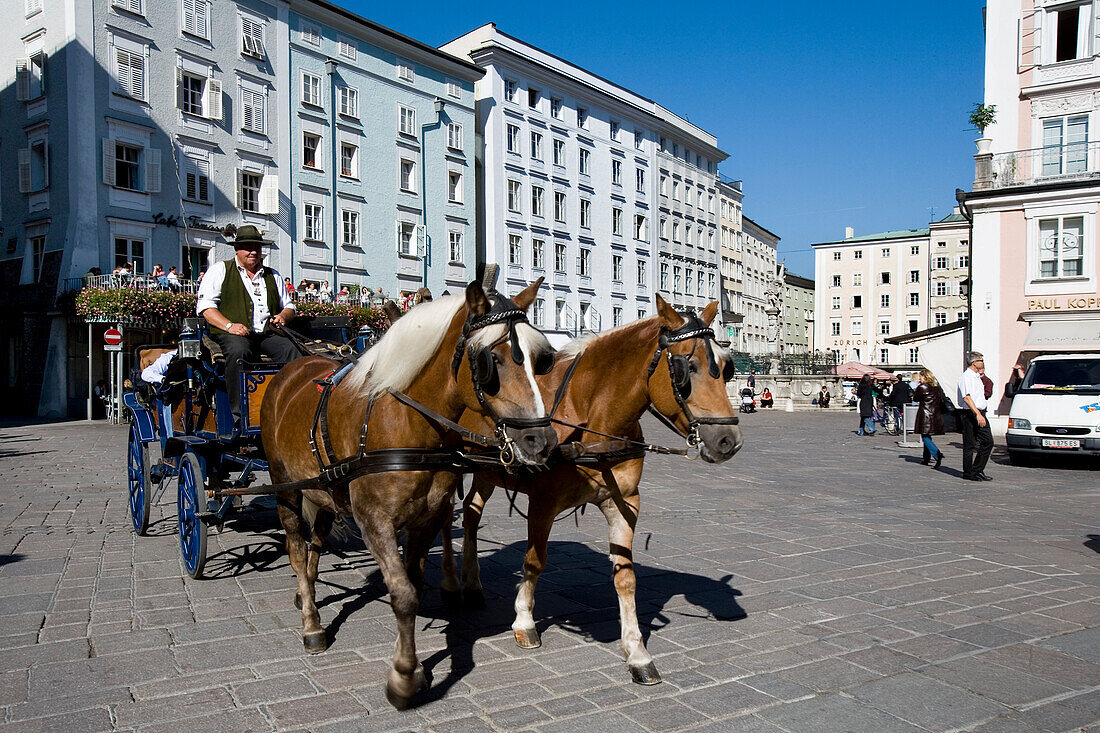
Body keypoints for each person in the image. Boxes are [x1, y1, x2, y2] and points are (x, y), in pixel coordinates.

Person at [195, 225, 299, 424]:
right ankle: (241, 414)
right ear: (237, 249)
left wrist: (284, 317)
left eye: (257, 248)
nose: (253, 252)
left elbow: (289, 306)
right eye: (247, 247)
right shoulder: (220, 270)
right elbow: (206, 308)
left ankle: (291, 406)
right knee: (239, 352)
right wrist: (229, 326)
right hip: (231, 333)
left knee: (293, 351)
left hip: (266, 333)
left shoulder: (273, 275)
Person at [957, 351, 994, 481]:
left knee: (988, 442)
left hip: (980, 412)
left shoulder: (977, 377)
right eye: (981, 360)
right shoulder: (966, 377)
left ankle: (977, 469)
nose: (983, 363)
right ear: (974, 362)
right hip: (972, 412)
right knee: (970, 444)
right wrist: (977, 414)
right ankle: (969, 472)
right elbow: (967, 397)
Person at [913, 369, 945, 468]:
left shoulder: (922, 387)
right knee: (927, 435)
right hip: (935, 414)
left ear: (924, 377)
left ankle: (936, 453)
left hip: (925, 414)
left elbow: (916, 398)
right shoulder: (937, 388)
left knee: (924, 436)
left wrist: (917, 387)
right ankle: (926, 458)